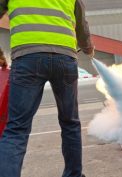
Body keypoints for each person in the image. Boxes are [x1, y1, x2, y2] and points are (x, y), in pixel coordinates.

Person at [0, 0, 94, 177]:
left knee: (16, 129)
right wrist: (88, 48)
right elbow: (81, 24)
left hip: (27, 57)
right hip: (64, 59)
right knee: (70, 123)